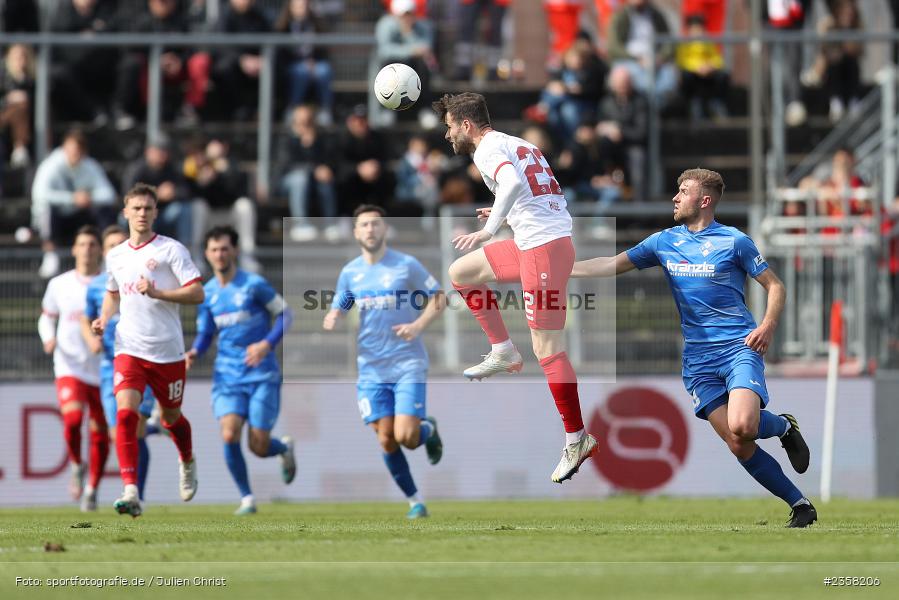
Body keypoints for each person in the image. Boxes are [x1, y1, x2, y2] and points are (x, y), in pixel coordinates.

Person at [570, 168, 816, 528]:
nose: (675, 197)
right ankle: (801, 505)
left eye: (683, 191)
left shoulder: (734, 241)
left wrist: (767, 326)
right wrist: (564, 270)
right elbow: (610, 264)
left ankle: (782, 427)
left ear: (704, 200)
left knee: (743, 424)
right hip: (699, 360)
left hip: (738, 348)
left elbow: (775, 286)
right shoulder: (663, 242)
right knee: (738, 443)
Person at [432, 92, 597, 483]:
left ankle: (576, 438)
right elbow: (539, 194)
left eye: (450, 126)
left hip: (542, 249)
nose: (447, 135)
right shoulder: (518, 142)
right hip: (539, 242)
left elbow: (509, 181)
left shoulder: (487, 150)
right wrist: (506, 213)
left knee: (547, 349)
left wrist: (489, 229)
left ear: (466, 125)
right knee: (461, 272)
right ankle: (503, 349)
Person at [323, 205, 444, 519]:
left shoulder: (406, 265)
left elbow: (439, 296)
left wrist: (417, 325)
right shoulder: (351, 272)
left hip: (407, 362)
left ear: (385, 229)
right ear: (356, 232)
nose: (370, 229)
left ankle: (427, 429)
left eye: (376, 224)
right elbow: (344, 298)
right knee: (386, 437)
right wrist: (335, 313)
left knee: (407, 437)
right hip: (371, 367)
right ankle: (415, 501)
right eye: (364, 225)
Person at [91, 183, 205, 518]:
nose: (142, 213)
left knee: (171, 418)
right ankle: (131, 490)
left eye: (147, 208)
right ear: (125, 212)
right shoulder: (116, 255)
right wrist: (104, 318)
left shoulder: (171, 250)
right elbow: (113, 293)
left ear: (156, 213)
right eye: (136, 208)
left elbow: (197, 293)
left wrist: (159, 294)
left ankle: (187, 459)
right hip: (129, 348)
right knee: (126, 415)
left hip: (167, 352)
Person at [185, 226, 296, 516]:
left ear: (234, 250)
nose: (219, 254)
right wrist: (195, 351)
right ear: (207, 254)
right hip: (227, 376)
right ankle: (247, 498)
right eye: (214, 249)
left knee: (258, 445)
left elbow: (285, 313)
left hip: (262, 375)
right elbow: (206, 333)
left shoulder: (254, 284)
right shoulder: (206, 293)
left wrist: (266, 344)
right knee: (229, 433)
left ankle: (282, 449)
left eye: (224, 248)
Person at [82, 225, 158, 504]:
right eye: (111, 245)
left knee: (135, 430)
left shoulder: (140, 279)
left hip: (140, 362)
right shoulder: (95, 287)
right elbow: (86, 318)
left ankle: (137, 495)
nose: (116, 249)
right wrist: (92, 336)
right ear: (104, 252)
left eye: (120, 244)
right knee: (118, 433)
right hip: (108, 367)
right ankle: (157, 428)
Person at [38, 225, 108, 512]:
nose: (87, 249)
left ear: (100, 250)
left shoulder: (109, 284)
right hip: (69, 365)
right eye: (83, 244)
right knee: (73, 419)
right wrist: (49, 337)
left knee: (100, 432)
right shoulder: (60, 284)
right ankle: (77, 465)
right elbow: (46, 317)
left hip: (102, 367)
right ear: (75, 249)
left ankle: (92, 489)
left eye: (92, 244)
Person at [31, 129, 118, 279]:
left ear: (84, 152)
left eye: (77, 150)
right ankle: (50, 254)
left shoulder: (90, 166)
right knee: (46, 208)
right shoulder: (50, 165)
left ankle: (107, 257)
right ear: (64, 148)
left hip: (79, 218)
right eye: (70, 149)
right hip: (55, 219)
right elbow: (40, 194)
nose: (73, 154)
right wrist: (72, 198)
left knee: (104, 210)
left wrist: (89, 198)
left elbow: (109, 194)